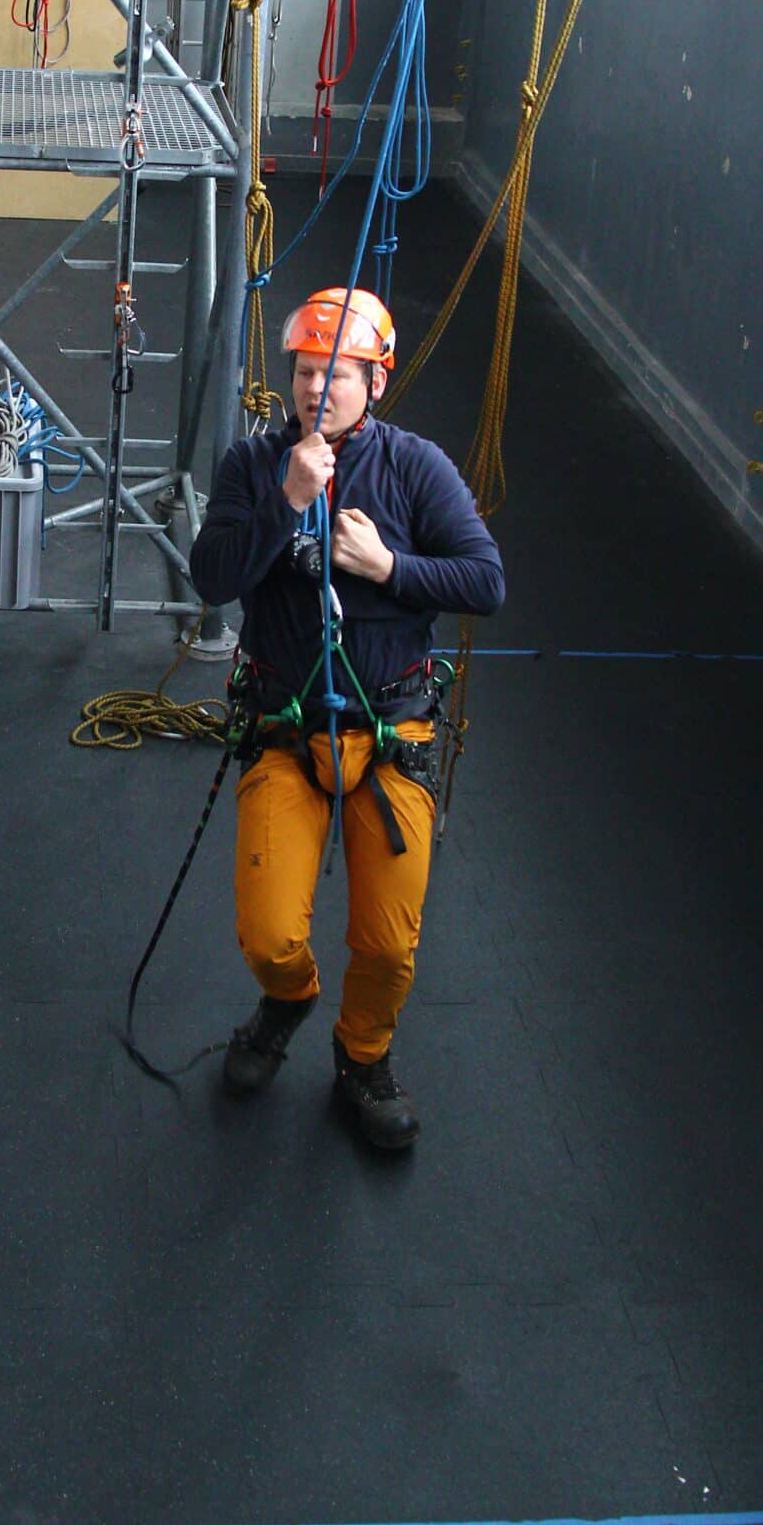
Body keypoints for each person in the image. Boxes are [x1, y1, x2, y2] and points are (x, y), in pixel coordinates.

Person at [190, 286, 505, 1149]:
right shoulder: (255, 465)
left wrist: (387, 566)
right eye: (303, 371)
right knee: (268, 934)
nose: (315, 389)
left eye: (336, 374)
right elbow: (212, 576)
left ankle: (364, 1055)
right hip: (286, 733)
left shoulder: (415, 468)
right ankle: (288, 997)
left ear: (375, 382)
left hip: (391, 733)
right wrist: (287, 501)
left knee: (388, 944)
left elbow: (485, 580)